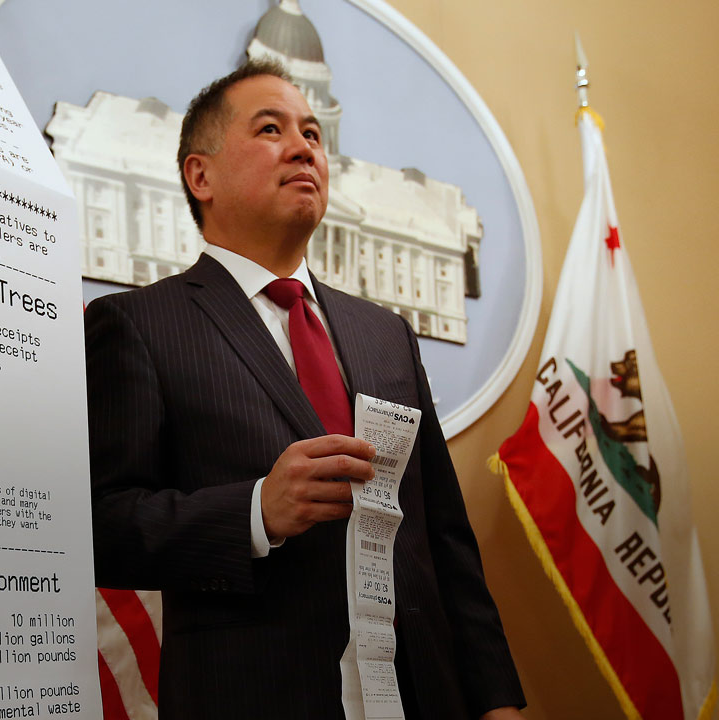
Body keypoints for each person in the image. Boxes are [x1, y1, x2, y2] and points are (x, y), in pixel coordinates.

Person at [86, 60, 527, 719]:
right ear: (199, 175)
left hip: (424, 695)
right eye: (271, 129)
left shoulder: (387, 335)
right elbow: (102, 526)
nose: (304, 148)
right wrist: (255, 511)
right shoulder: (138, 326)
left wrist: (495, 699)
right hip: (258, 694)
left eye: (315, 134)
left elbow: (445, 537)